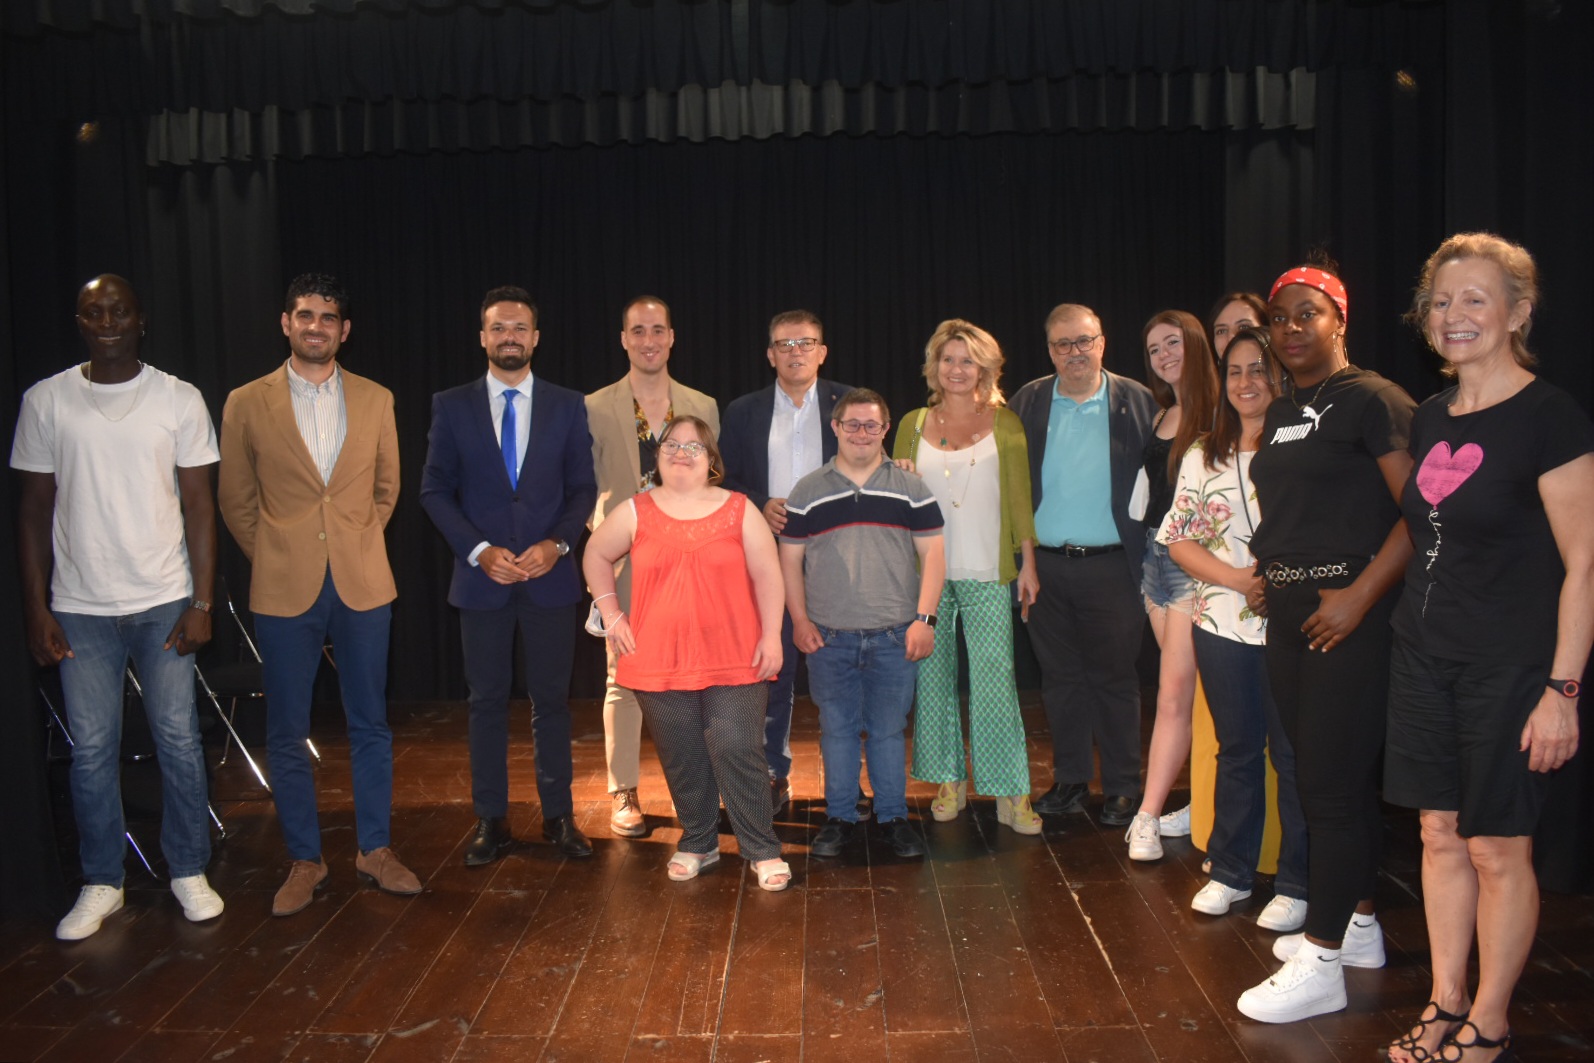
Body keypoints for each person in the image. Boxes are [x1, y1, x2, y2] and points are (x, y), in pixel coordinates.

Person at [1380, 234, 1592, 1063]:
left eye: (1475, 298)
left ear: (1518, 313)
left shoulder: (1550, 417)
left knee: (1497, 846)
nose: (1454, 314)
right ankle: (1447, 999)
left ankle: (1492, 1020)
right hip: (1422, 654)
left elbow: (1584, 566)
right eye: (1441, 301)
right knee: (1439, 833)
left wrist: (1562, 691)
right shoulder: (1432, 416)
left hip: (1510, 667)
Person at [12, 274, 225, 939]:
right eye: (94, 312)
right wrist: (36, 608)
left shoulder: (178, 397)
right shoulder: (46, 400)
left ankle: (188, 868)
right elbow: (32, 512)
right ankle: (103, 880)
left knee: (178, 740)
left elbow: (200, 506)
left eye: (119, 311)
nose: (107, 322)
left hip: (163, 598)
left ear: (141, 319)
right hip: (79, 606)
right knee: (93, 751)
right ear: (79, 322)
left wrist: (202, 600)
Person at [1237, 261, 1417, 1023]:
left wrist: (1359, 596)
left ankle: (1322, 960)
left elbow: (1422, 513)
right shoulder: (1285, 408)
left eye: (1307, 313)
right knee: (1319, 778)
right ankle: (1360, 925)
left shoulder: (1374, 399)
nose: (1290, 329)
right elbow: (1298, 507)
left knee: (1332, 788)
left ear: (1340, 320)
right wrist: (1266, 568)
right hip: (1289, 612)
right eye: (1279, 318)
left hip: (1348, 613)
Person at [218, 273, 421, 917]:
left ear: (344, 330)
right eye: (304, 315)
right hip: (283, 585)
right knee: (287, 729)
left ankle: (375, 850)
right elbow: (235, 499)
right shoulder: (245, 402)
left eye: (328, 317)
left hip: (363, 582)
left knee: (370, 722)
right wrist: (280, 553)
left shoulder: (376, 398)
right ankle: (305, 859)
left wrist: (352, 541)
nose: (316, 326)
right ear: (286, 323)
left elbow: (386, 489)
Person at [419, 287, 598, 864]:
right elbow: (434, 490)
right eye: (498, 328)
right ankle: (490, 820)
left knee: (552, 703)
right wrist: (477, 550)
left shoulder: (568, 405)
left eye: (519, 328)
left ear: (536, 338)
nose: (509, 337)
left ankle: (559, 817)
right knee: (486, 703)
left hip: (550, 578)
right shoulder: (452, 405)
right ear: (482, 337)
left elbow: (583, 489)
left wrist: (558, 544)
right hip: (483, 582)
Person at [582, 417, 792, 891]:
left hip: (736, 654)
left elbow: (768, 575)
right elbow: (595, 554)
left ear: (711, 458)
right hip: (658, 657)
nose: (681, 453)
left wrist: (772, 637)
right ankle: (699, 840)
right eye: (672, 445)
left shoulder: (740, 509)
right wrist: (612, 616)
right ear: (657, 456)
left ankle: (762, 847)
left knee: (737, 748)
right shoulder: (635, 510)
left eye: (694, 446)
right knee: (683, 755)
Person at [1158, 327, 1309, 929]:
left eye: (1259, 369)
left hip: (1295, 626)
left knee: (1293, 757)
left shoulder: (1302, 442)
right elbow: (1178, 540)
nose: (1247, 382)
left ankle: (1297, 884)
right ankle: (1230, 871)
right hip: (1220, 622)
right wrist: (1240, 580)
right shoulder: (1203, 451)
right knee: (1238, 750)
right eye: (1236, 371)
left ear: (1280, 376)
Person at [1010, 304, 1158, 826]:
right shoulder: (1028, 401)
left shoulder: (1138, 401)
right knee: (1060, 679)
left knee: (1115, 678)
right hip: (1043, 567)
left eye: (1083, 341)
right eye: (1062, 344)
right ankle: (1070, 780)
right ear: (1050, 350)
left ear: (1102, 342)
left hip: (1115, 567)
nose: (1074, 352)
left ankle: (1122, 787)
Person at [782, 388, 945, 857]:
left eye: (871, 425)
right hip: (828, 638)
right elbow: (789, 561)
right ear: (835, 427)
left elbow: (934, 555)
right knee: (837, 731)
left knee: (888, 731)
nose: (861, 433)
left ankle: (893, 817)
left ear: (885, 429)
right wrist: (799, 620)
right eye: (851, 424)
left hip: (895, 635)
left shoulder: (911, 487)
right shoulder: (807, 491)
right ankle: (839, 817)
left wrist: (925, 620)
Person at [894, 320, 1041, 834]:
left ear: (985, 368)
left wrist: (1028, 564)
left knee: (996, 679)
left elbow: (1020, 499)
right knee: (932, 680)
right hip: (926, 576)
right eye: (948, 359)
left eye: (968, 360)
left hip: (987, 569)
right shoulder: (912, 423)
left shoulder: (1006, 423)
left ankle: (1010, 791)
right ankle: (947, 780)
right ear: (934, 366)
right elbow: (895, 497)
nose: (956, 369)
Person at [586, 296, 719, 838]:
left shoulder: (703, 405)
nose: (648, 340)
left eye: (657, 330)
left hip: (692, 558)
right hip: (626, 560)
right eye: (637, 330)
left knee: (698, 674)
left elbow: (714, 481)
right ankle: (623, 790)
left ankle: (701, 790)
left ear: (671, 338)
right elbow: (584, 484)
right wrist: (604, 536)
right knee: (623, 676)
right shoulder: (594, 406)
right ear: (623, 339)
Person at [719, 310, 852, 813]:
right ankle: (772, 773)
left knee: (838, 675)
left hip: (836, 557)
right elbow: (723, 479)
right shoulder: (743, 411)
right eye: (785, 344)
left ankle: (845, 781)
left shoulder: (848, 404)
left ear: (822, 351)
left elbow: (868, 468)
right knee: (772, 670)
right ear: (770, 355)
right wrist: (759, 503)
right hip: (766, 558)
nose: (796, 352)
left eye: (806, 342)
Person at [1124, 311, 1220, 862]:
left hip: (1195, 564)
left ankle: (1147, 815)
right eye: (1154, 349)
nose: (1163, 356)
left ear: (1197, 344)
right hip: (1155, 562)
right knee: (1194, 694)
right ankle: (1204, 799)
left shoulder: (1222, 412)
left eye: (1173, 343)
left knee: (1173, 694)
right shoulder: (1164, 412)